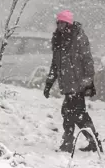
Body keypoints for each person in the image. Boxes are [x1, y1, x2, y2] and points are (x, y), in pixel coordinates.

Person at [44, 10, 103, 153]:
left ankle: (70, 143)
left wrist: (89, 83)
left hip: (78, 83)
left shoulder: (78, 37)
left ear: (69, 23)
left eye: (63, 23)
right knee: (75, 114)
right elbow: (55, 63)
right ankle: (91, 142)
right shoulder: (58, 39)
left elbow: (87, 60)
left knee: (71, 113)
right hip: (67, 84)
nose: (60, 25)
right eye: (58, 22)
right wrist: (49, 83)